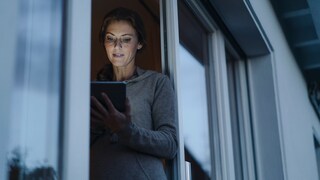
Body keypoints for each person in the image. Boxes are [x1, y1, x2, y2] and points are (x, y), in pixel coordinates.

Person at [90, 7, 178, 180]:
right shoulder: (93, 90)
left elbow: (170, 144)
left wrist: (126, 130)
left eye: (126, 39)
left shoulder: (157, 83)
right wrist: (97, 126)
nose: (117, 46)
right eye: (110, 39)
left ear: (139, 43)